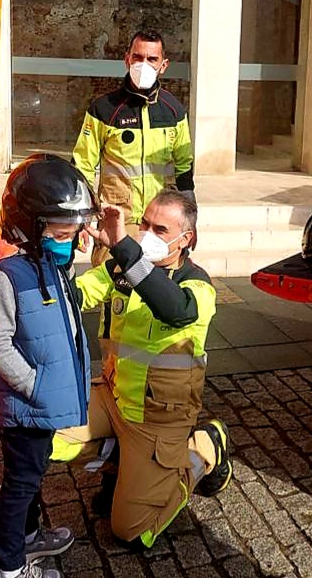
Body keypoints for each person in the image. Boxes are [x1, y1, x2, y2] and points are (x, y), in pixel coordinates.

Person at [52, 189, 231, 550]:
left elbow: (173, 309)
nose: (148, 234)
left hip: (158, 418)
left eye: (160, 229)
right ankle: (122, 462)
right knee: (43, 439)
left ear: (186, 239)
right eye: (145, 224)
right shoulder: (120, 267)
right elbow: (74, 295)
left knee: (130, 531)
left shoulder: (197, 285)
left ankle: (203, 450)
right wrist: (62, 246)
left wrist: (124, 248)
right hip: (112, 398)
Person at [0, 154, 99, 578]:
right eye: (61, 231)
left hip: (41, 406)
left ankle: (28, 539)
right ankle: (8, 574)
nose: (70, 240)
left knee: (32, 476)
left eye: (73, 231)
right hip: (26, 406)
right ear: (30, 226)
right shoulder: (9, 277)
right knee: (19, 484)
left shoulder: (53, 267)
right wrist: (33, 386)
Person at [72, 29, 195, 267]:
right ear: (127, 59)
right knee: (113, 291)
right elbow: (82, 166)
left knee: (157, 295)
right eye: (138, 58)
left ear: (164, 65)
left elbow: (184, 168)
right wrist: (80, 220)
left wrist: (191, 221)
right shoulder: (104, 109)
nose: (143, 64)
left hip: (161, 225)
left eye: (152, 59)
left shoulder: (174, 111)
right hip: (117, 221)